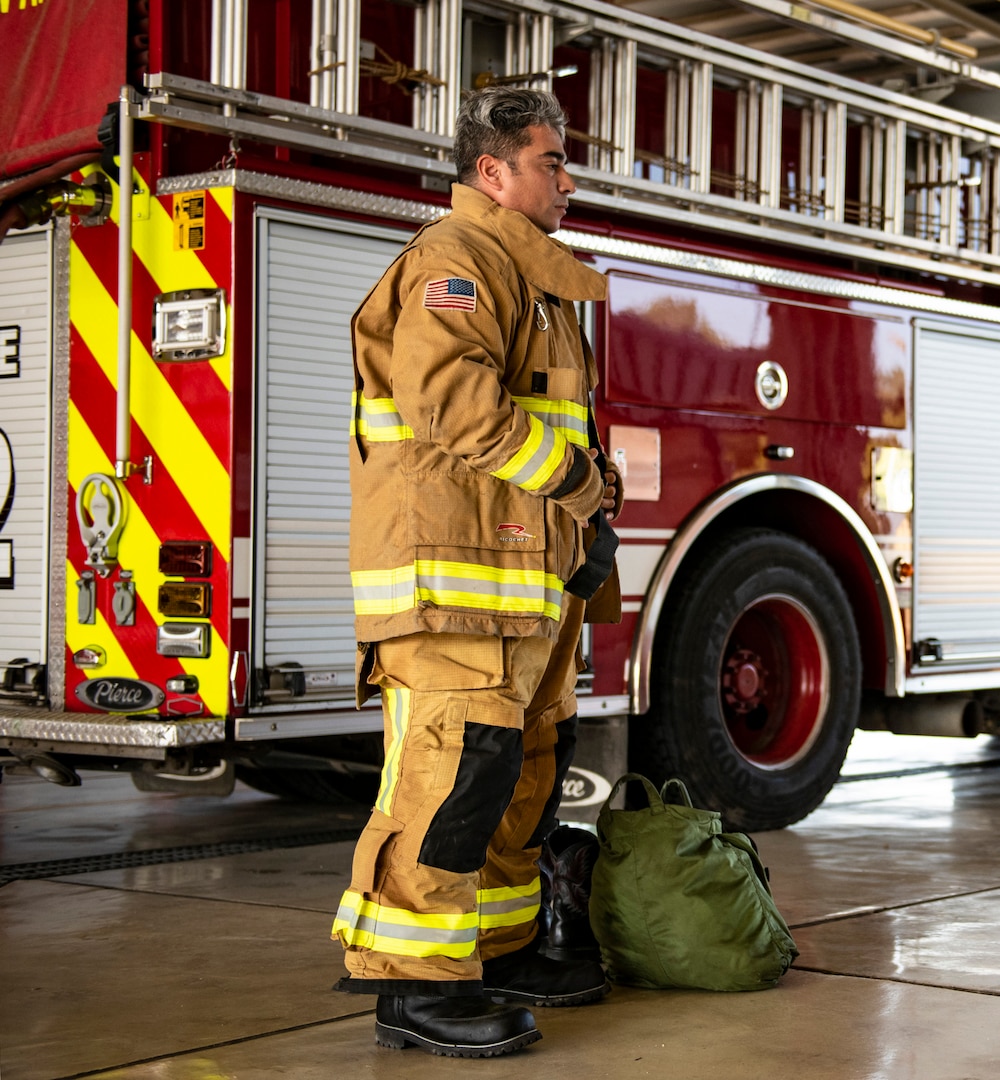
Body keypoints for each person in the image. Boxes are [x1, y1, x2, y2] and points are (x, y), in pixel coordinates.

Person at [331, 85, 621, 1059]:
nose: (568, 180)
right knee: (447, 778)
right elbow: (452, 402)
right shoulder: (455, 264)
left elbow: (539, 427)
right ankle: (412, 984)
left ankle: (495, 951)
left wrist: (590, 519)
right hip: (455, 587)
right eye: (551, 161)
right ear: (491, 172)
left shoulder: (533, 281)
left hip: (518, 587)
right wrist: (578, 481)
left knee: (513, 774)